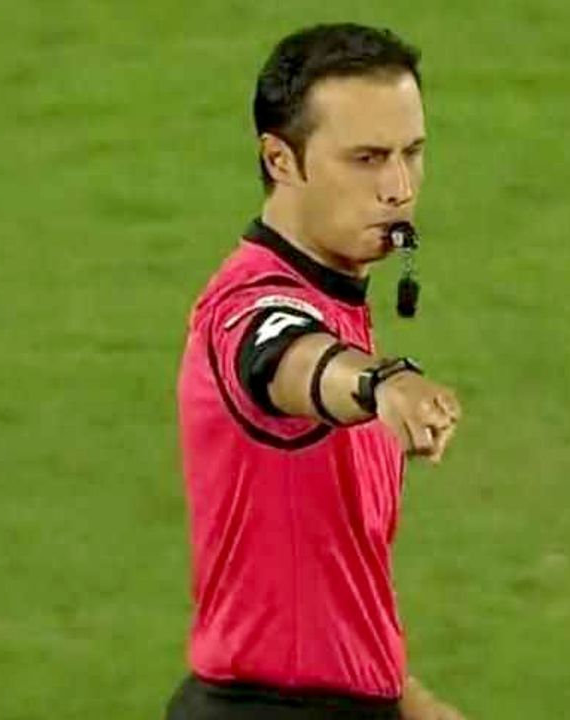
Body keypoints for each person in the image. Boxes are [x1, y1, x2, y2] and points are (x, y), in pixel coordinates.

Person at [166, 23, 466, 720]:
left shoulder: (334, 303)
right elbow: (283, 353)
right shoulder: (248, 305)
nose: (398, 188)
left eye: (412, 153)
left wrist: (408, 703)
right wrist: (380, 383)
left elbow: (321, 583)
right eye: (366, 159)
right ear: (280, 159)